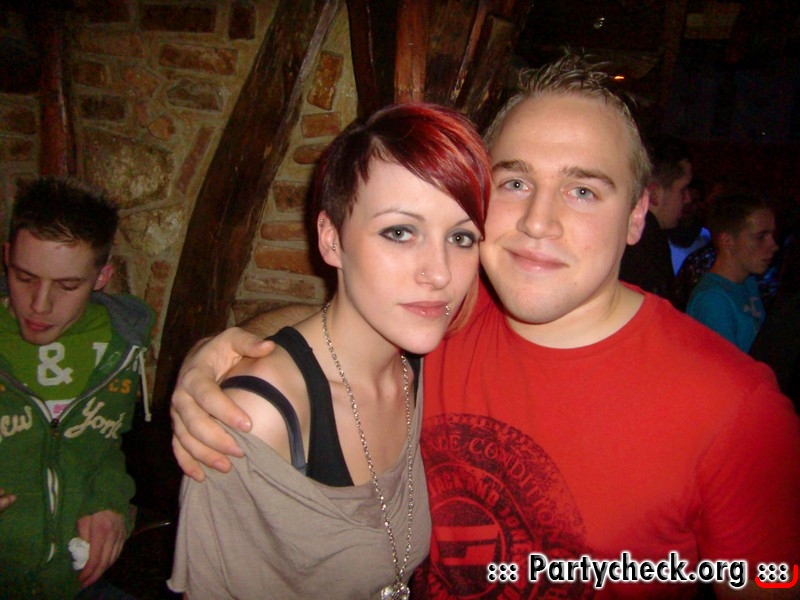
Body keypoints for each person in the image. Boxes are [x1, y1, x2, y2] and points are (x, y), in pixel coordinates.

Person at [171, 52, 800, 598]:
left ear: (638, 215)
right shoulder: (449, 316)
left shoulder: (737, 409)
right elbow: (350, 322)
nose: (538, 222)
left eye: (583, 191)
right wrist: (229, 353)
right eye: (516, 182)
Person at [167, 103, 490, 599]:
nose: (441, 273)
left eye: (461, 237)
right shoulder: (255, 419)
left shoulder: (430, 361)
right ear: (331, 239)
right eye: (400, 232)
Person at [0, 177, 154, 599]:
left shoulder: (120, 343)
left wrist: (110, 501)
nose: (39, 304)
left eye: (67, 286)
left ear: (102, 276)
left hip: (72, 586)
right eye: (24, 277)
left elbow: (102, 444)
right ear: (7, 256)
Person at [686, 193, 779, 352]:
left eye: (772, 235)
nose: (774, 246)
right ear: (727, 241)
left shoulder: (748, 283)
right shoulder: (713, 299)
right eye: (761, 237)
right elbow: (723, 364)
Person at [619, 133, 692, 306]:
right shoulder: (646, 245)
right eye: (683, 189)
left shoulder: (649, 238)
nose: (688, 199)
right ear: (654, 193)